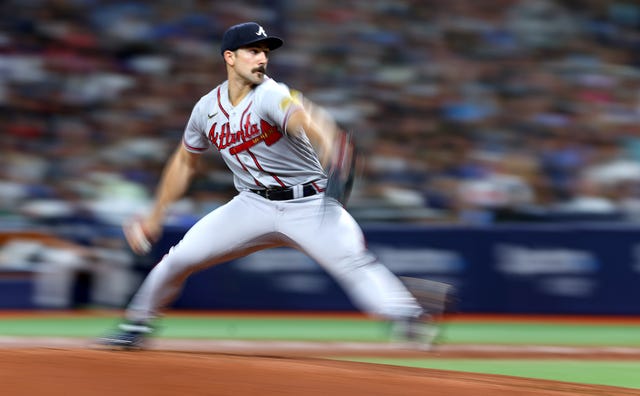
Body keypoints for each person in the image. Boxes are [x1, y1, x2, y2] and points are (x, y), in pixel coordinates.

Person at [98, 22, 451, 349]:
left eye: (265, 51)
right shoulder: (206, 108)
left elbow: (309, 120)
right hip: (251, 206)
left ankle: (409, 317)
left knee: (353, 263)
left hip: (309, 204)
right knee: (180, 258)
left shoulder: (271, 95)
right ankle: (137, 324)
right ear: (230, 57)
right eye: (253, 50)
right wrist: (155, 214)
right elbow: (184, 160)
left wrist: (331, 146)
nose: (262, 58)